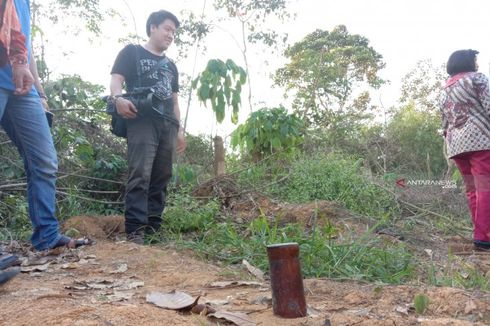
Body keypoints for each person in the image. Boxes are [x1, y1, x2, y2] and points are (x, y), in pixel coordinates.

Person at [0, 0, 90, 252]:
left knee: (44, 160)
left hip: (22, 85)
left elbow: (25, 44)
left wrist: (40, 92)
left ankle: (46, 236)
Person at [109, 10, 186, 244]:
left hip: (167, 125)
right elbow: (116, 80)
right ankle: (135, 232)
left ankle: (153, 229)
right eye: (167, 29)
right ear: (152, 27)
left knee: (162, 175)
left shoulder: (171, 66)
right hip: (141, 119)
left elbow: (174, 99)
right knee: (140, 173)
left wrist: (180, 130)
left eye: (174, 31)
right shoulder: (131, 52)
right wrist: (118, 99)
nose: (171, 35)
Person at [440, 49, 490, 250]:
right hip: (480, 142)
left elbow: (444, 121)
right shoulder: (477, 79)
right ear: (468, 62)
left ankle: (480, 234)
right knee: (486, 188)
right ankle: (484, 237)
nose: (477, 64)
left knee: (473, 190)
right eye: (475, 60)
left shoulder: (445, 88)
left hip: (457, 145)